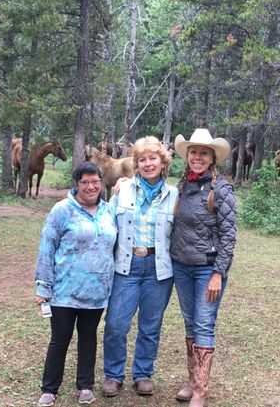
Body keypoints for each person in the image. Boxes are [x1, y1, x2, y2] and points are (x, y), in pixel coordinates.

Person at [35, 162, 117, 407]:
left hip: (96, 290)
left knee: (88, 337)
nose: (90, 186)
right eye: (85, 182)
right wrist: (43, 286)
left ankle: (85, 386)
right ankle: (49, 389)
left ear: (101, 183)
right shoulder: (62, 210)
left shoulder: (109, 211)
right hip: (64, 290)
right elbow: (47, 247)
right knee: (60, 339)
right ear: (77, 184)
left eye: (95, 181)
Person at [102, 136, 178, 397]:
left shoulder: (174, 195)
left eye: (153, 158)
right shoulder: (122, 189)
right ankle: (113, 375)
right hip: (126, 265)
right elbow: (106, 222)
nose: (148, 164)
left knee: (150, 325)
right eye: (142, 159)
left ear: (163, 162)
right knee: (115, 323)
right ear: (136, 163)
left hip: (159, 267)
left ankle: (143, 373)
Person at [171, 128, 236, 407]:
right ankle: (192, 380)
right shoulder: (182, 185)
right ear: (188, 156)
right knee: (189, 324)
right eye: (193, 152)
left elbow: (229, 235)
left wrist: (218, 274)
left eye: (203, 153)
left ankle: (200, 390)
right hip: (182, 267)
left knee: (204, 324)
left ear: (212, 158)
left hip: (207, 270)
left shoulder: (220, 189)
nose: (197, 157)